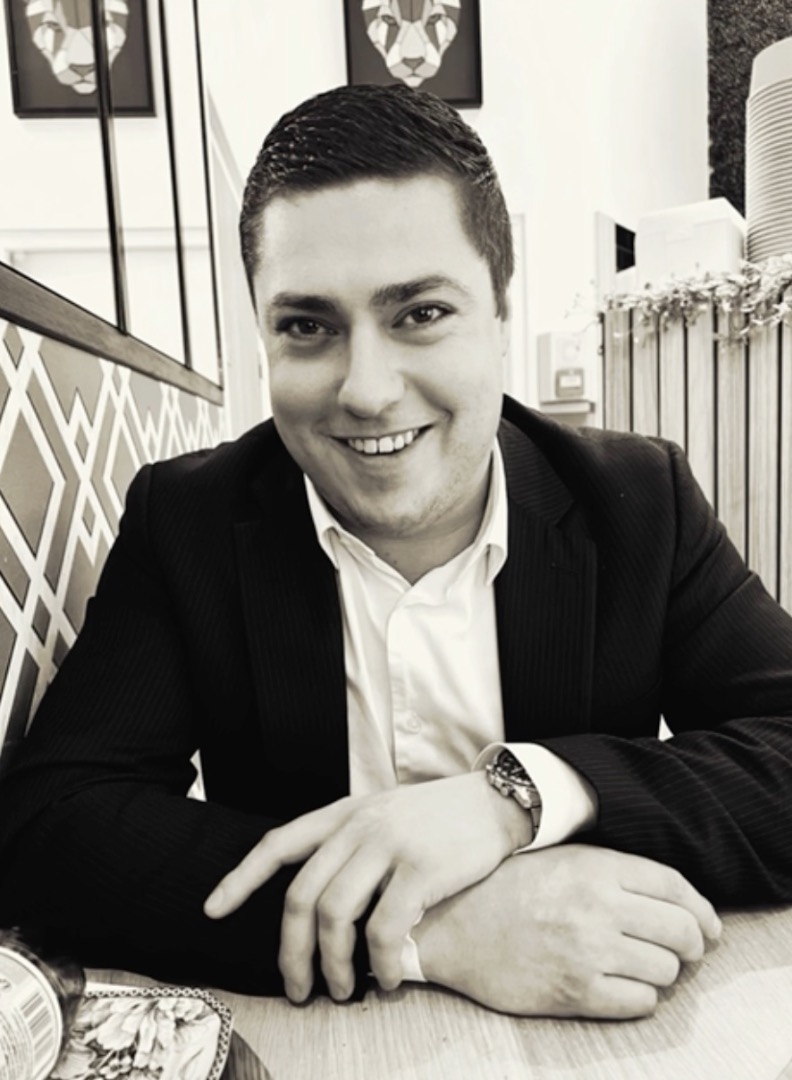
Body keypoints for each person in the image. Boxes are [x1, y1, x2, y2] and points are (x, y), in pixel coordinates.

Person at [1, 83, 792, 1021]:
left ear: (501, 311)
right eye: (308, 327)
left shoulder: (638, 500)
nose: (367, 391)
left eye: (419, 313)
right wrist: (433, 932)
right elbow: (53, 829)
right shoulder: (187, 520)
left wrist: (516, 799)